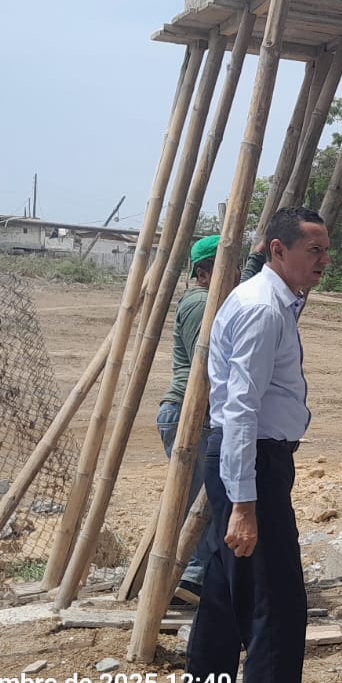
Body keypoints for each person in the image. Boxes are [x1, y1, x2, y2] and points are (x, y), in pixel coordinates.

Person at [171, 207, 330, 683]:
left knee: (222, 606)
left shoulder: (271, 300)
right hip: (253, 466)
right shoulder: (263, 309)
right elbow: (240, 409)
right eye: (314, 251)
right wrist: (245, 504)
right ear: (277, 250)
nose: (324, 261)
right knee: (275, 612)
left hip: (250, 464)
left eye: (326, 251)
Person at [156, 233, 221, 601]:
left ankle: (197, 578)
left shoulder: (209, 301)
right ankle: (192, 581)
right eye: (227, 270)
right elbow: (205, 366)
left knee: (202, 498)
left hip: (192, 412)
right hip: (190, 410)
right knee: (200, 502)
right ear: (204, 273)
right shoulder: (200, 304)